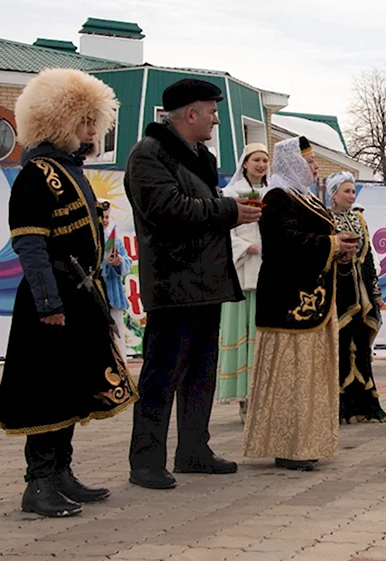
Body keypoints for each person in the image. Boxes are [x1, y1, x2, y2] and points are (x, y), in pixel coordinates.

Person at [0, 68, 135, 517]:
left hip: (78, 295)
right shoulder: (38, 173)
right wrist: (49, 302)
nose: (93, 129)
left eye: (95, 120)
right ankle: (38, 483)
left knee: (72, 386)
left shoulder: (68, 169)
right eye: (83, 120)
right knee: (46, 389)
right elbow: (30, 243)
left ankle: (62, 473)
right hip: (52, 300)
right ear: (55, 120)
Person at [125, 79, 261, 490]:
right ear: (189, 114)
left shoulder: (198, 156)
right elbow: (167, 209)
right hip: (174, 283)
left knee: (201, 372)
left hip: (206, 281)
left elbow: (199, 206)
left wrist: (228, 211)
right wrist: (228, 210)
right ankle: (146, 461)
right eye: (212, 111)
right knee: (162, 374)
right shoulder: (149, 155)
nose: (216, 120)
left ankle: (193, 450)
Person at [243, 137, 357, 471]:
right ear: (292, 163)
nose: (315, 168)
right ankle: (287, 445)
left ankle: (306, 441)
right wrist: (332, 243)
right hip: (288, 301)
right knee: (292, 375)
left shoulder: (303, 196)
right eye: (309, 162)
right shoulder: (277, 197)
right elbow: (283, 243)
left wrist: (340, 249)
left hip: (312, 297)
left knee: (311, 375)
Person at [328, 171, 386, 424]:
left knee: (362, 346)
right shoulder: (326, 219)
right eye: (346, 191)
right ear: (333, 194)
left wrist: (376, 292)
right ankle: (342, 406)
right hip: (338, 292)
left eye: (353, 191)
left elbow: (370, 259)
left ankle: (366, 404)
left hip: (361, 292)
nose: (351, 196)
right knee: (341, 346)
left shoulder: (359, 220)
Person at [216, 143, 270, 422]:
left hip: (269, 275)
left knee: (264, 338)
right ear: (245, 163)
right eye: (256, 160)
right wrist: (242, 247)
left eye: (265, 160)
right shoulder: (231, 193)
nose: (261, 165)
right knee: (243, 336)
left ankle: (265, 396)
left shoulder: (274, 193)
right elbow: (221, 232)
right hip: (242, 271)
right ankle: (245, 399)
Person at [101, 200, 133, 360]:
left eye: (107, 216)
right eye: (102, 216)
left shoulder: (115, 240)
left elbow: (127, 262)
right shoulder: (91, 241)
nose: (105, 220)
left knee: (118, 336)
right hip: (97, 296)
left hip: (114, 297)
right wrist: (104, 263)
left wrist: (118, 262)